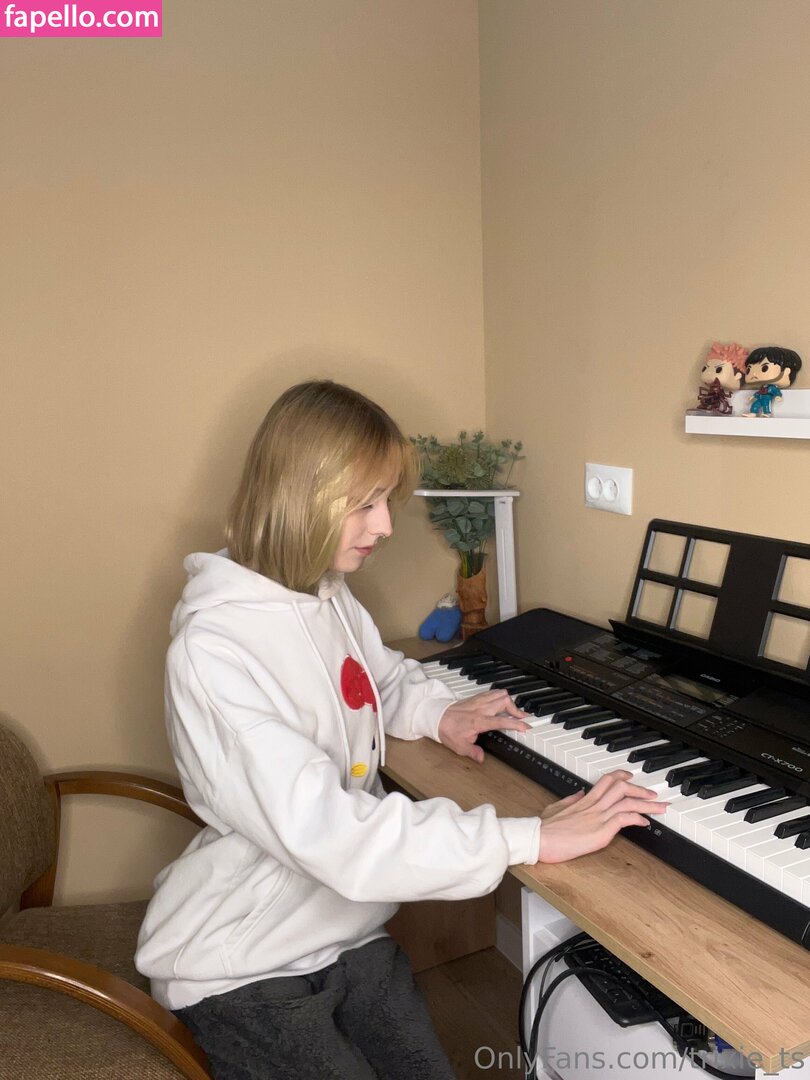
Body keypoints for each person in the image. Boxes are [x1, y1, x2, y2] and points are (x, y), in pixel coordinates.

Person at [135, 380, 666, 1080]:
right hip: (243, 963)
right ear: (298, 495)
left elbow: (374, 679)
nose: (385, 525)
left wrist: (437, 713)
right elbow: (336, 835)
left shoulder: (322, 592)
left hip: (342, 929)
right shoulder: (213, 653)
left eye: (385, 500)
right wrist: (532, 835)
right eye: (365, 504)